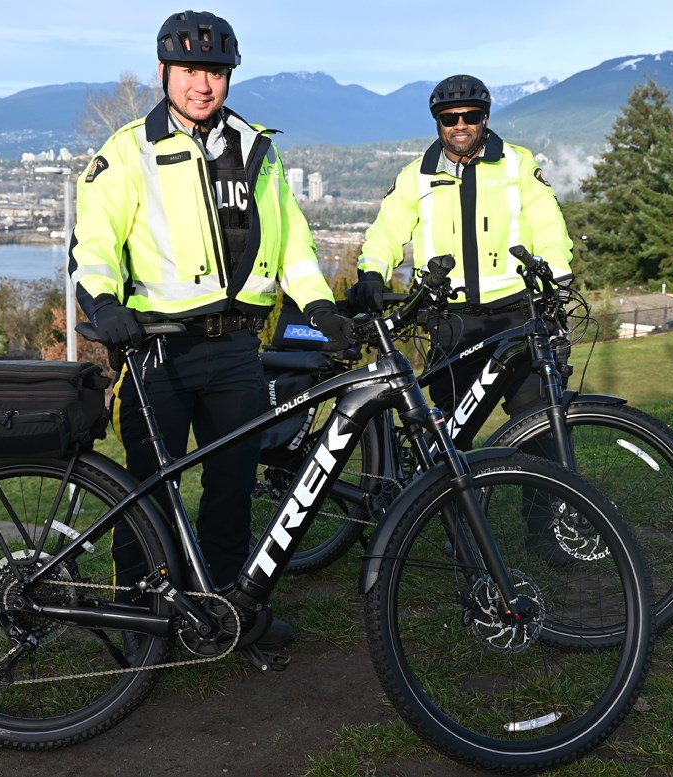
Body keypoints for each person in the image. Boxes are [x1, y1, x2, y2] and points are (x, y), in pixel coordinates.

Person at [69, 10, 351, 650]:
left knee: (230, 487)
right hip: (155, 351)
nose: (204, 84)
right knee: (147, 492)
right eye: (192, 69)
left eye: (216, 71)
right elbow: (94, 243)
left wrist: (319, 307)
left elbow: (294, 244)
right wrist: (103, 302)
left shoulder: (256, 150)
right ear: (165, 72)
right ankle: (140, 621)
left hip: (234, 351)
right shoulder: (127, 151)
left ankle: (231, 615)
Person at [346, 73, 573, 419]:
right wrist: (372, 274)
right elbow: (385, 233)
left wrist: (557, 278)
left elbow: (549, 226)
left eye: (470, 116)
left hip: (518, 313)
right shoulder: (416, 176)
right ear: (438, 123)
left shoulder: (518, 165)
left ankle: (546, 475)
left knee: (537, 418)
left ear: (485, 118)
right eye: (450, 118)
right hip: (451, 320)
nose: (460, 125)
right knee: (450, 433)